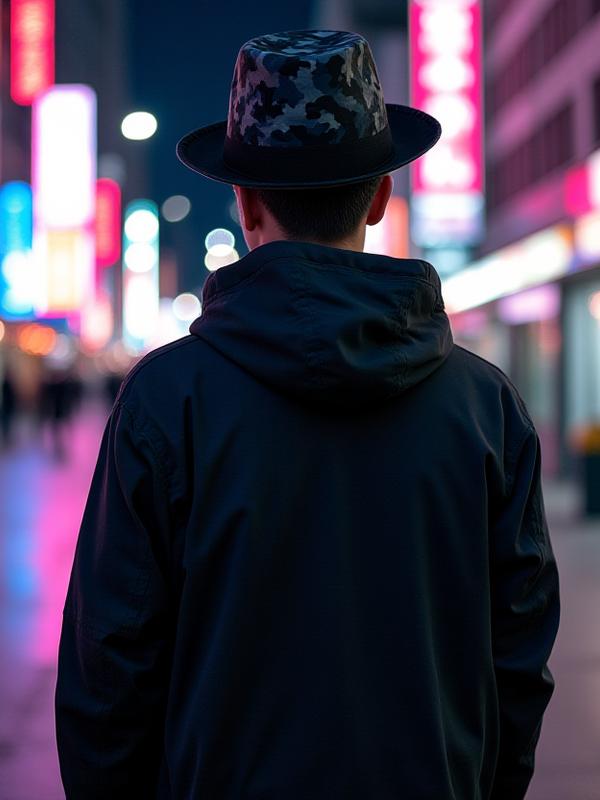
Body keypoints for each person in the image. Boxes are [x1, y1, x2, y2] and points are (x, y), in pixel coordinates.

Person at [54, 29, 560, 800]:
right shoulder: (485, 405)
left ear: (245, 202)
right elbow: (518, 660)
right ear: (382, 194)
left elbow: (106, 674)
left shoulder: (166, 399)